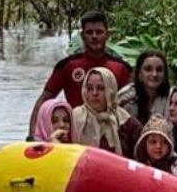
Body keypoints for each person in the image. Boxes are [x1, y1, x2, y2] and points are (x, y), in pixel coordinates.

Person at [27, 9, 131, 139]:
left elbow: (132, 101)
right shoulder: (67, 66)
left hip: (113, 134)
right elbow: (44, 100)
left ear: (107, 35)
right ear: (82, 36)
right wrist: (32, 137)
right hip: (76, 133)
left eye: (99, 32)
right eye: (89, 32)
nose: (94, 36)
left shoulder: (121, 68)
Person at [72, 67, 143, 157]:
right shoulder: (74, 118)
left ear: (111, 90)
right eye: (89, 88)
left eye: (101, 88)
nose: (94, 93)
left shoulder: (126, 122)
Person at [118, 49, 170, 124]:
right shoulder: (125, 99)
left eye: (159, 70)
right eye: (148, 69)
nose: (154, 74)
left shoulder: (172, 99)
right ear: (139, 73)